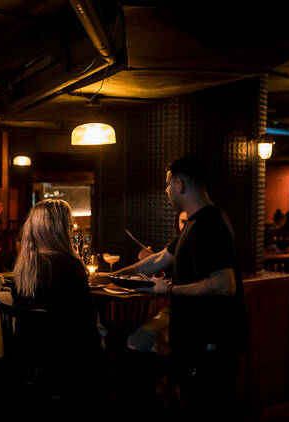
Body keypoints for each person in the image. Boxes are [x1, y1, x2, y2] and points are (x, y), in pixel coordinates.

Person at [90, 155, 245, 417]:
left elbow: (224, 284)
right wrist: (110, 276)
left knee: (208, 405)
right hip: (195, 336)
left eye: (167, 184)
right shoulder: (194, 223)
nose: (166, 191)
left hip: (212, 337)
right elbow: (159, 259)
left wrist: (168, 290)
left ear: (180, 184)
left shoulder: (209, 223)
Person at [12, 199, 103, 405]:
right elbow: (85, 321)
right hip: (66, 357)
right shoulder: (69, 265)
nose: (72, 228)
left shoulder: (23, 266)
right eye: (69, 224)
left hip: (27, 353)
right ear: (61, 229)